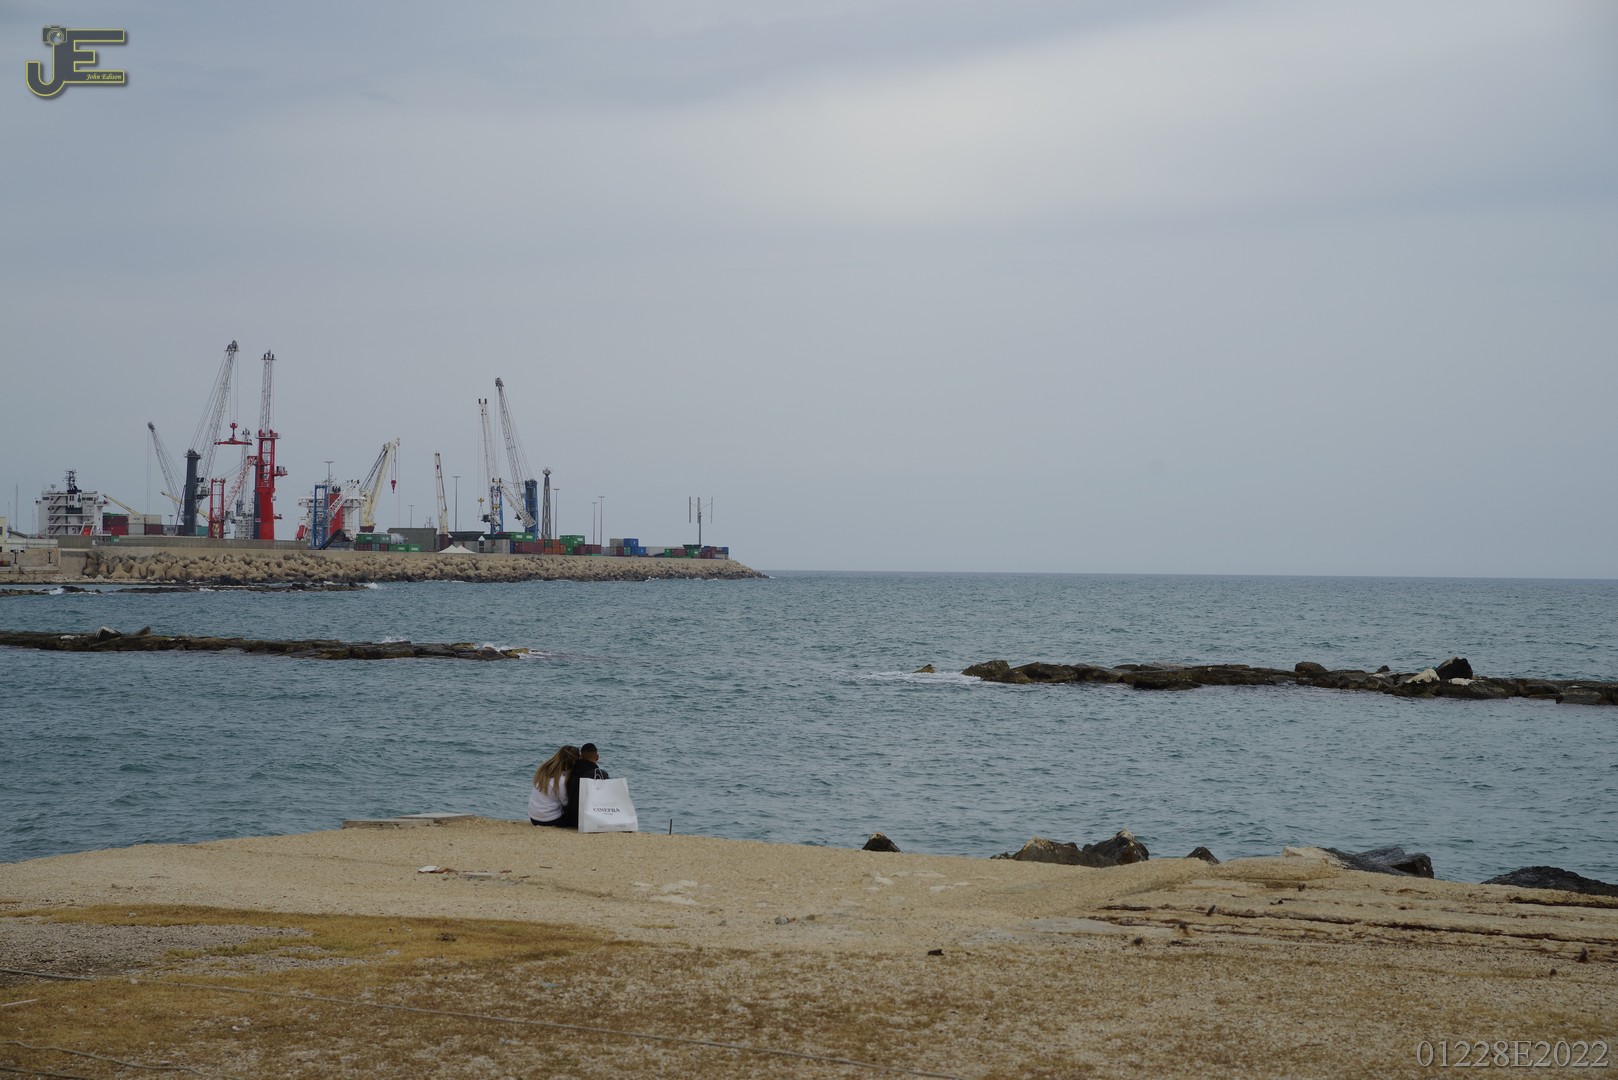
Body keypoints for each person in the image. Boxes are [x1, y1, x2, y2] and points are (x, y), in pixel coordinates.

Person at [560, 742, 610, 828]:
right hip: (589, 820)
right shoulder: (600, 774)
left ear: (581, 756)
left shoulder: (569, 772)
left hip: (571, 819)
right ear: (597, 757)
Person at [528, 745, 579, 826]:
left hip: (533, 817)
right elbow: (565, 802)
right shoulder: (561, 779)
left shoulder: (543, 770)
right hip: (550, 819)